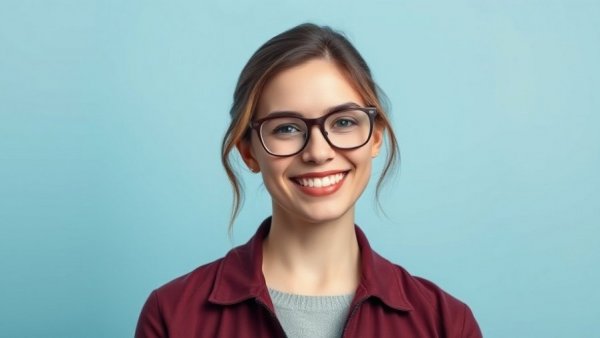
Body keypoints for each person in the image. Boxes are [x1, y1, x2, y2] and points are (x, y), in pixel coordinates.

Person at [135, 23, 482, 338]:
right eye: (286, 128)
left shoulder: (445, 323)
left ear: (376, 137)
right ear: (248, 152)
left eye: (344, 122)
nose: (318, 151)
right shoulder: (172, 316)